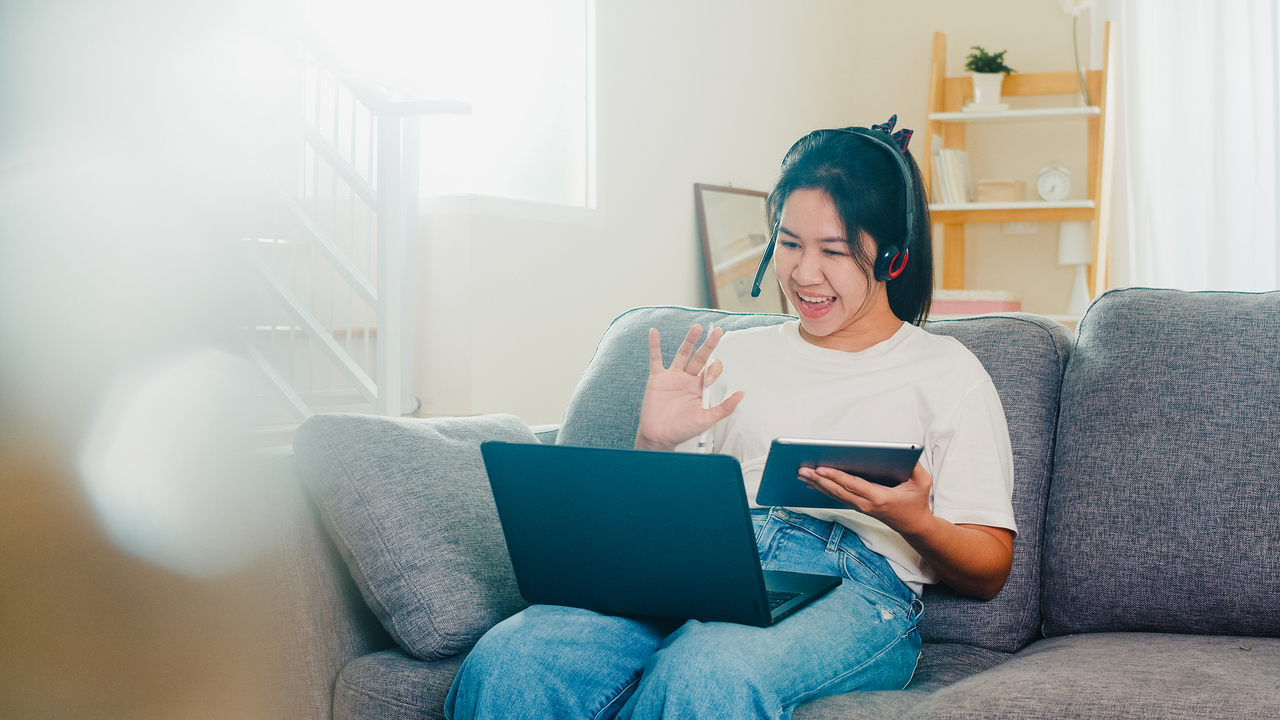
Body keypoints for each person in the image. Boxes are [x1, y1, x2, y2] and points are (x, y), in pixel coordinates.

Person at [445, 116, 1017, 720]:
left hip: (855, 586)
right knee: (512, 657)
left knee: (708, 671)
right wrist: (654, 445)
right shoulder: (731, 354)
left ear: (893, 259)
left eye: (834, 252)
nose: (803, 274)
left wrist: (916, 521)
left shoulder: (948, 372)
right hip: (705, 565)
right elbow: (659, 526)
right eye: (790, 243)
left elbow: (990, 569)